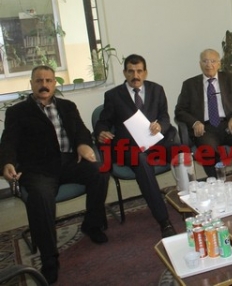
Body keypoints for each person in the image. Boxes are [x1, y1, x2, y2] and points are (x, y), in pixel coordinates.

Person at [0, 65, 109, 284]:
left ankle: (92, 224)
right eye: (39, 81)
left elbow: (82, 131)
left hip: (69, 162)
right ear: (31, 84)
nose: (44, 85)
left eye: (48, 80)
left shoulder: (67, 106)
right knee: (40, 197)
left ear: (54, 84)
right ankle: (49, 258)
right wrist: (7, 163)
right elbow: (8, 142)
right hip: (38, 169)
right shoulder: (17, 112)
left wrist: (83, 145)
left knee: (100, 171)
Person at [94, 54, 177, 238]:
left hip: (154, 142)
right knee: (141, 161)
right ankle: (164, 220)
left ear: (145, 72)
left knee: (181, 152)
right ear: (124, 72)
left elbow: (164, 117)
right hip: (129, 148)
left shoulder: (157, 89)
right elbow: (103, 122)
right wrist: (100, 131)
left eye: (139, 71)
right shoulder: (113, 95)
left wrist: (160, 126)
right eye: (131, 71)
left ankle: (191, 202)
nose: (135, 76)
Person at [175, 48, 232, 177]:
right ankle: (217, 181)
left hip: (228, 124)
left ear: (219, 64)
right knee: (208, 150)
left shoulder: (231, 79)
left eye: (213, 61)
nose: (209, 65)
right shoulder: (189, 84)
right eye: (205, 61)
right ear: (200, 64)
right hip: (206, 128)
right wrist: (195, 122)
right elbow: (180, 111)